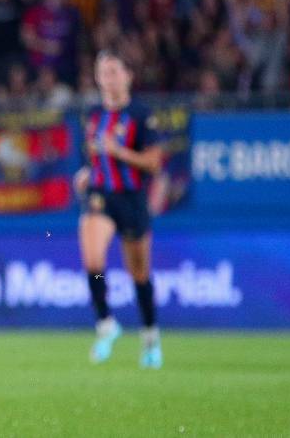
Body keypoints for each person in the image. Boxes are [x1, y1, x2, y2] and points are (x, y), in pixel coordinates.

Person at [73, 51, 165, 369]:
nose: (108, 79)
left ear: (127, 76)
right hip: (101, 196)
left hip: (131, 199)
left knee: (139, 274)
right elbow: (95, 157)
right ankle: (106, 323)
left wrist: (119, 152)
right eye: (103, 72)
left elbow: (153, 162)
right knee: (93, 260)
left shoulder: (140, 114)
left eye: (114, 72)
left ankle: (150, 336)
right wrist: (87, 172)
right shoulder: (94, 115)